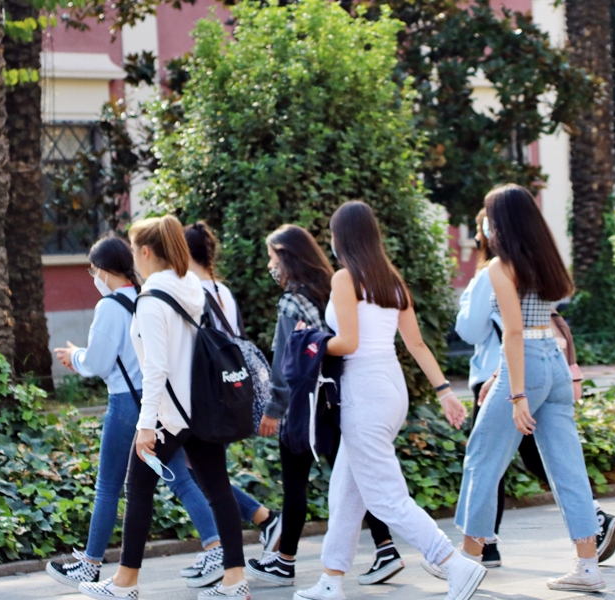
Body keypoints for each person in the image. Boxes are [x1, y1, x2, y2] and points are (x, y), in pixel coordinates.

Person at [294, 202, 487, 600]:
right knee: (346, 489)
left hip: (364, 389)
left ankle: (453, 564)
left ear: (342, 238)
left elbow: (348, 343)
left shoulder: (346, 279)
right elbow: (415, 343)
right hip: (389, 387)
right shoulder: (391, 281)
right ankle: (331, 579)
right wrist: (444, 391)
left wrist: (307, 339)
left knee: (384, 495)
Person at [78, 215, 249, 600]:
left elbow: (156, 368)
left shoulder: (153, 298)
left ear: (145, 251)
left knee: (138, 486)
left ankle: (125, 582)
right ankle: (235, 580)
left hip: (171, 413)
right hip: (202, 406)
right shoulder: (189, 284)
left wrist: (145, 424)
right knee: (218, 488)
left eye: (134, 247)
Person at [47, 236, 230, 590]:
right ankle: (215, 545)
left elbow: (99, 361)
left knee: (108, 486)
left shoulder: (109, 307)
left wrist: (76, 358)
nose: (92, 276)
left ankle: (90, 563)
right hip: (159, 402)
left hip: (127, 403)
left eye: (92, 269)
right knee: (179, 479)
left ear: (101, 269)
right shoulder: (142, 296)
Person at [454, 184, 606, 593]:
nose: (482, 223)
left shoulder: (500, 268)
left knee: (483, 457)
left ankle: (467, 561)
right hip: (554, 362)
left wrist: (518, 394)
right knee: (566, 465)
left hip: (526, 366)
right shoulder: (544, 258)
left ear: (498, 222)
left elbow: (513, 334)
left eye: (486, 215)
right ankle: (587, 565)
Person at [247, 224, 404, 588]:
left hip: (304, 403)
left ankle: (284, 561)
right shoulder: (330, 286)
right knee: (357, 475)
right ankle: (385, 548)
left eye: (272, 258)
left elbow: (288, 359)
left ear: (286, 257)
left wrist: (274, 409)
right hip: (337, 394)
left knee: (295, 481)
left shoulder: (292, 300)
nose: (271, 266)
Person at [181, 221, 283, 568]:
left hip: (208, 394)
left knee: (203, 475)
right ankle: (261, 523)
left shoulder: (191, 288)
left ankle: (244, 536)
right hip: (233, 389)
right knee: (209, 473)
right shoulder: (222, 289)